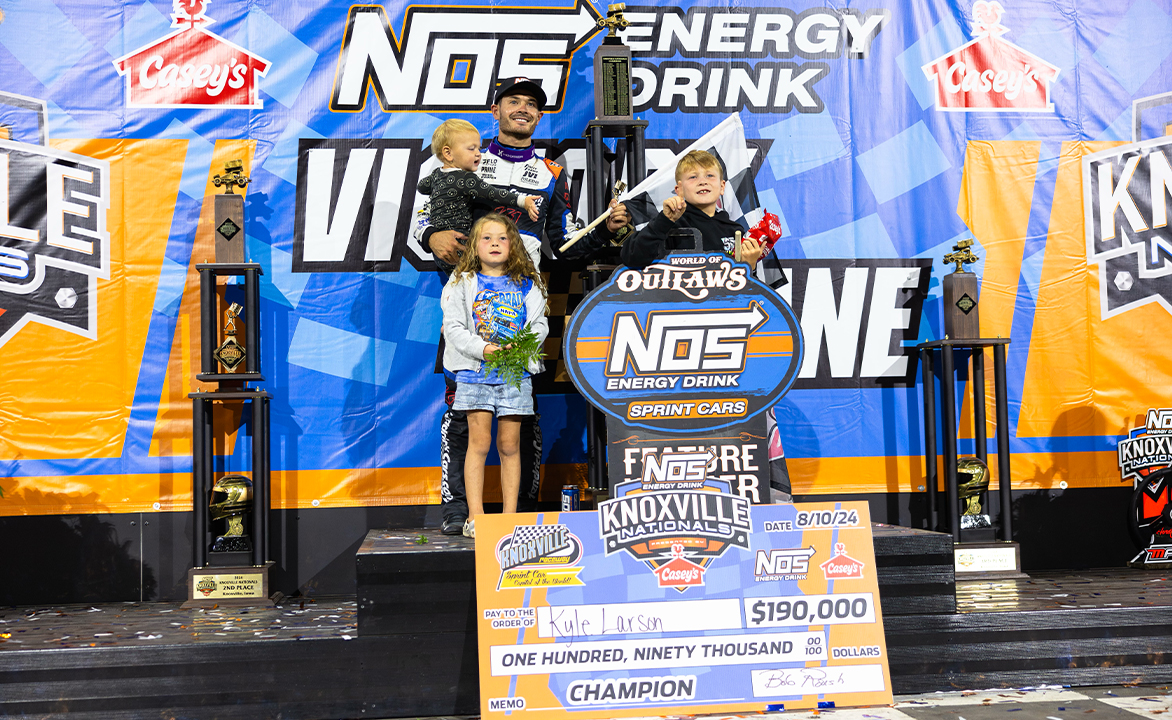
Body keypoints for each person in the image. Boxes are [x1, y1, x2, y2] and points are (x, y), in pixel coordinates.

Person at [415, 77, 631, 534]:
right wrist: (430, 235)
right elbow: (423, 215)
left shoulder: (552, 170)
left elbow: (564, 244)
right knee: (462, 404)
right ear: (496, 110)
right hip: (470, 299)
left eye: (532, 104)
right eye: (513, 101)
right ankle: (458, 508)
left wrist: (608, 231)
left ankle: (521, 507)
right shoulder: (469, 154)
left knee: (521, 407)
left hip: (523, 297)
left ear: (539, 115)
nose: (523, 109)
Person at [440, 213, 548, 538]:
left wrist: (523, 344)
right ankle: (475, 517)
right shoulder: (462, 282)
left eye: (502, 238)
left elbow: (540, 324)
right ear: (475, 245)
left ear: (513, 244)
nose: (495, 243)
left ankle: (510, 518)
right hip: (475, 374)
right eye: (487, 238)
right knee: (479, 442)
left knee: (510, 444)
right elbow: (454, 328)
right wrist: (484, 349)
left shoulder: (529, 284)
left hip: (515, 374)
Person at [620, 150, 764, 270]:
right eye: (693, 177)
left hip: (722, 304)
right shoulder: (668, 224)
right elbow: (633, 259)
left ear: (722, 187)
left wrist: (749, 266)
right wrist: (663, 221)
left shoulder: (735, 230)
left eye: (710, 175)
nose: (702, 181)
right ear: (679, 190)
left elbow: (745, 291)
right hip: (677, 303)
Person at [418, 119, 540, 239]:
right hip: (461, 241)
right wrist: (522, 201)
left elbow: (421, 187)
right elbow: (493, 193)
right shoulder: (466, 179)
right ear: (448, 153)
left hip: (438, 240)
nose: (478, 153)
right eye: (472, 149)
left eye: (478, 148)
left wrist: (440, 190)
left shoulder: (436, 174)